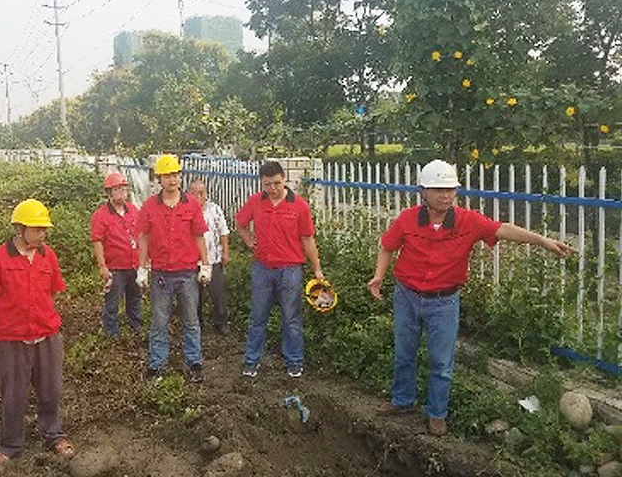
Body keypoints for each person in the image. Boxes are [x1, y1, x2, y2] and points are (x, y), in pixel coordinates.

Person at [367, 159, 576, 436]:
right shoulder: (407, 219)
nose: (445, 195)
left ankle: (437, 413)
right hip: (407, 295)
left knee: (441, 362)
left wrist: (544, 241)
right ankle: (403, 401)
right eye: (438, 190)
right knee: (404, 353)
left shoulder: (468, 221)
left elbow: (502, 229)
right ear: (423, 192)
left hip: (444, 301)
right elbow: (387, 246)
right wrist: (379, 276)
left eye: (450, 190)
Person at [0, 198, 74, 463]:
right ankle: (10, 445)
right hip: (12, 339)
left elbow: (52, 291)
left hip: (47, 335)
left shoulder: (47, 255)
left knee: (51, 390)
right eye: (37, 229)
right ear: (20, 229)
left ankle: (54, 435)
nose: (43, 234)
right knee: (13, 394)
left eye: (44, 229)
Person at [236, 160, 325, 379]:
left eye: (276, 183)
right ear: (262, 183)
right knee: (257, 317)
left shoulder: (300, 206)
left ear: (284, 179)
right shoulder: (256, 202)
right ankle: (251, 361)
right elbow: (240, 223)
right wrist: (250, 242)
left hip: (290, 270)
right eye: (267, 184)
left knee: (291, 319)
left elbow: (308, 239)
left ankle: (294, 362)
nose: (273, 189)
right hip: (262, 269)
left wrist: (318, 270)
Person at [137, 154, 210, 382]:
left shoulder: (191, 205)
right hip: (161, 273)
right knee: (159, 322)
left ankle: (194, 363)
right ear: (159, 179)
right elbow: (144, 238)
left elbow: (199, 236)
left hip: (187, 272)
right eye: (167, 175)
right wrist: (142, 268)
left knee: (191, 320)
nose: (172, 180)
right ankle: (157, 365)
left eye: (176, 175)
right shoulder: (149, 207)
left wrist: (205, 264)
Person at [91, 172, 141, 337]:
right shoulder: (100, 215)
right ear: (109, 192)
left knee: (135, 298)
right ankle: (110, 333)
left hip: (134, 265)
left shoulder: (133, 210)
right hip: (115, 267)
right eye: (117, 189)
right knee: (112, 302)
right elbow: (97, 241)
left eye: (123, 188)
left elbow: (141, 235)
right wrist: (102, 266)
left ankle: (136, 327)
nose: (122, 192)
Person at [189, 179, 231, 334]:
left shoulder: (215, 209)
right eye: (194, 193)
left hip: (213, 259)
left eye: (201, 193)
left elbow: (223, 232)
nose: (198, 197)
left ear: (206, 194)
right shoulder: (185, 210)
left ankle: (221, 322)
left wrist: (225, 252)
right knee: (194, 295)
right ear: (189, 193)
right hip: (192, 261)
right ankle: (196, 323)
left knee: (217, 292)